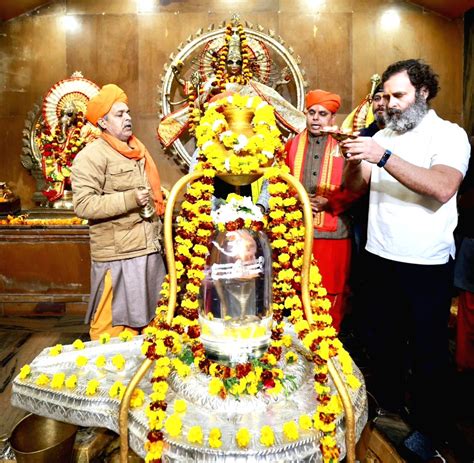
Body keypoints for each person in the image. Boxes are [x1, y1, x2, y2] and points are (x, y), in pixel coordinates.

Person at [341, 59, 471, 454]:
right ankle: (391, 413)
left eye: (398, 95)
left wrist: (381, 156)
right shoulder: (386, 136)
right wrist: (353, 161)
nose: (390, 104)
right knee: (384, 344)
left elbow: (442, 188)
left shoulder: (449, 135)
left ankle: (432, 432)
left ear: (423, 92)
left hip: (425, 263)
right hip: (379, 257)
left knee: (428, 353)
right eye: (385, 97)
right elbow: (354, 187)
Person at [71, 84, 166, 340]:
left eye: (128, 112)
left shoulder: (138, 151)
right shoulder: (90, 157)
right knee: (110, 335)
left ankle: (145, 380)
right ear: (102, 121)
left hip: (149, 252)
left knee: (153, 331)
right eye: (119, 114)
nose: (128, 118)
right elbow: (83, 205)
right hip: (118, 258)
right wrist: (129, 199)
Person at [284, 89, 360, 331]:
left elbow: (359, 187)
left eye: (323, 114)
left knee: (331, 290)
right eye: (311, 113)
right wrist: (296, 198)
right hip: (297, 232)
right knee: (297, 287)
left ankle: (329, 349)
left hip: (334, 232)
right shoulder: (291, 144)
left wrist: (332, 202)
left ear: (332, 119)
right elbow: (280, 181)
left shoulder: (346, 146)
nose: (316, 118)